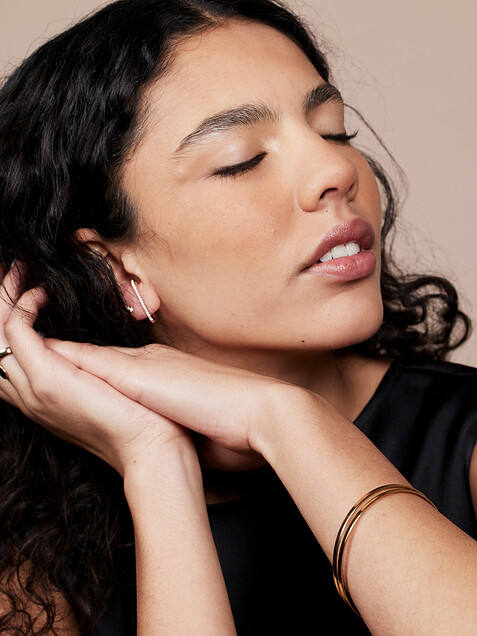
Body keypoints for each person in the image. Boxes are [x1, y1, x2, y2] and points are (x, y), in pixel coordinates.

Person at [0, 0, 476, 633]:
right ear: (113, 267)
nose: (337, 169)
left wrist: (285, 419)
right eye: (242, 159)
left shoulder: (465, 438)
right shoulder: (30, 552)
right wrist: (156, 463)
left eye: (334, 131)